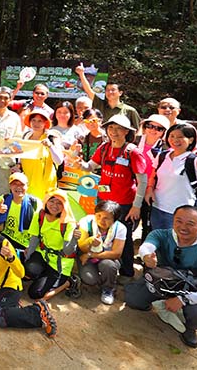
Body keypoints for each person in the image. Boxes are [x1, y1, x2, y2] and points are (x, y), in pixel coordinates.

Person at [126, 205, 197, 348]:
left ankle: (190, 329)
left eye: (190, 224)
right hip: (162, 283)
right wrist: (146, 256)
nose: (183, 227)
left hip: (190, 291)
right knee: (133, 299)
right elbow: (147, 246)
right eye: (178, 221)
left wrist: (182, 299)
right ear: (172, 220)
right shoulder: (161, 234)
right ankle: (161, 303)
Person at [0, 210, 58, 337]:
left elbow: (20, 273)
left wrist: (10, 257)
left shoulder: (3, 243)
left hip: (9, 285)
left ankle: (37, 312)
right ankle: (9, 307)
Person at [79, 114, 147, 277]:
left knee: (124, 237)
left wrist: (136, 206)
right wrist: (77, 161)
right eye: (111, 128)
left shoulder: (133, 152)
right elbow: (89, 167)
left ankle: (126, 271)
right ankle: (100, 265)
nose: (114, 132)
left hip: (124, 203)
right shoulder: (104, 148)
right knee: (101, 233)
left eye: (118, 128)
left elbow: (142, 182)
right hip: (104, 200)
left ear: (126, 131)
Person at [24, 191, 81, 300]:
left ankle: (69, 282)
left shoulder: (68, 222)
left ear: (64, 205)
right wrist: (27, 258)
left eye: (59, 203)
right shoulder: (40, 215)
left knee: (35, 293)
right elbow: (35, 238)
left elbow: (68, 251)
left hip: (60, 263)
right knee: (29, 269)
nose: (54, 205)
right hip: (43, 254)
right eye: (52, 201)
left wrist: (74, 239)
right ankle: (43, 276)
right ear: (46, 201)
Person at [146, 123, 197, 230]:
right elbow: (153, 175)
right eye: (172, 136)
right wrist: (149, 189)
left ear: (191, 140)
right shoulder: (162, 155)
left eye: (180, 137)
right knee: (159, 240)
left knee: (176, 242)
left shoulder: (194, 160)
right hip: (157, 207)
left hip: (180, 212)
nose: (175, 140)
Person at [77, 200, 126, 305]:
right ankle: (106, 278)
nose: (101, 220)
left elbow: (116, 253)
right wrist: (89, 241)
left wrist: (91, 254)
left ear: (114, 219)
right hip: (89, 257)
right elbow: (82, 247)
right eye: (98, 216)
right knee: (90, 279)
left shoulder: (120, 228)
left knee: (108, 265)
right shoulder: (86, 222)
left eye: (106, 218)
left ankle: (108, 289)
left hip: (106, 258)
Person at [76, 65, 141, 130]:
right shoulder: (100, 105)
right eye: (107, 90)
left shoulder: (130, 111)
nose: (110, 92)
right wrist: (81, 74)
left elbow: (138, 130)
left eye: (113, 90)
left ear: (120, 93)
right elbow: (88, 90)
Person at [19, 110, 64, 198]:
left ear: (45, 123)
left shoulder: (52, 138)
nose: (36, 124)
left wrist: (50, 146)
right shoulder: (25, 137)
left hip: (46, 184)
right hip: (27, 183)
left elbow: (59, 161)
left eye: (40, 121)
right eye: (34, 120)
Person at [137, 114, 169, 238]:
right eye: (150, 126)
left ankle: (145, 252)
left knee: (148, 222)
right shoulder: (134, 141)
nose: (153, 130)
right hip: (133, 187)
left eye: (159, 128)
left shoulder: (166, 148)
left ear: (163, 132)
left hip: (153, 189)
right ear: (145, 127)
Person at [0, 173, 38, 259]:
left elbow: (38, 229)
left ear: (27, 186)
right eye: (15, 184)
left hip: (25, 244)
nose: (18, 187)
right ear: (10, 186)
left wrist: (31, 247)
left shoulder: (35, 203)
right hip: (6, 238)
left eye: (22, 184)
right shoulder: (3, 199)